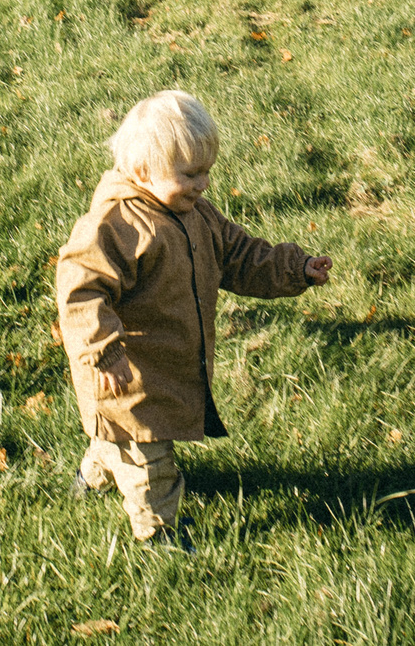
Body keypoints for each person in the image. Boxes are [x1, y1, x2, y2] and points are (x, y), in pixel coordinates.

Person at [55, 90, 331, 550]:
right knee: (148, 460)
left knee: (121, 436)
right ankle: (156, 533)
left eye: (206, 171)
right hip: (128, 374)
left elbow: (240, 255)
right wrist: (103, 351)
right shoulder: (116, 226)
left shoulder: (195, 214)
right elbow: (80, 289)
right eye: (190, 174)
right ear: (142, 171)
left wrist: (294, 268)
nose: (203, 184)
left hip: (168, 366)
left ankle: (95, 472)